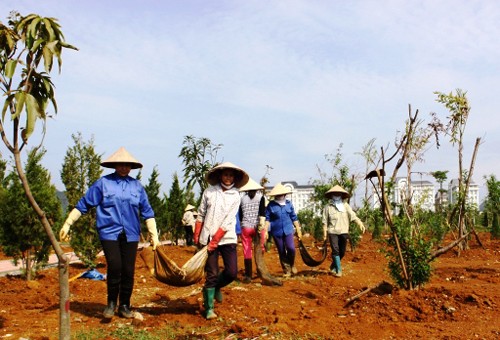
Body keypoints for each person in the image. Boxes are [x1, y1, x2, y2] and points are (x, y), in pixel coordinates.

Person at [59, 147, 160, 319]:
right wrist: (68, 223)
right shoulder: (103, 184)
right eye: (121, 164)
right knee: (115, 266)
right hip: (109, 232)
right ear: (114, 165)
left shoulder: (136, 187)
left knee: (128, 270)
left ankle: (125, 305)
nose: (124, 168)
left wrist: (154, 236)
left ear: (131, 167)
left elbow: (147, 212)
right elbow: (84, 204)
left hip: (131, 233)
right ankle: (111, 303)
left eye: (127, 165)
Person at [194, 162, 249, 320]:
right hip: (208, 237)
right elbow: (201, 213)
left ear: (234, 178)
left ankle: (217, 285)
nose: (228, 178)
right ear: (220, 176)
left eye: (231, 175)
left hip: (227, 238)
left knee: (231, 272)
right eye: (225, 175)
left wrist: (215, 240)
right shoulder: (209, 192)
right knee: (211, 273)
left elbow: (228, 221)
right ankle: (209, 308)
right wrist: (197, 233)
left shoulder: (236, 195)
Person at [322, 185, 366, 277]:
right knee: (335, 250)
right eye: (335, 194)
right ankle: (339, 270)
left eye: (339, 194)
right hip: (333, 231)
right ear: (332, 195)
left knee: (342, 251)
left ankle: (333, 266)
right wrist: (325, 234)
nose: (337, 196)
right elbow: (325, 222)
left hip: (344, 231)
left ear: (342, 195)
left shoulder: (346, 206)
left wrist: (360, 223)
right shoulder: (328, 207)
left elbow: (353, 216)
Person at [264, 182, 302, 277]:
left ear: (284, 194)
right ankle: (287, 270)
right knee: (281, 251)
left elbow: (294, 217)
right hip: (276, 232)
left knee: (291, 249)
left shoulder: (289, 204)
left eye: (281, 193)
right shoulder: (271, 205)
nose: (280, 195)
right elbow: (267, 219)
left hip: (288, 230)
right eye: (278, 194)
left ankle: (292, 264)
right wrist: (265, 231)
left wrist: (298, 229)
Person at [238, 178, 266, 283]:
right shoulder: (261, 198)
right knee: (260, 248)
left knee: (247, 250)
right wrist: (261, 224)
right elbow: (262, 213)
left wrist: (243, 224)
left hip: (246, 227)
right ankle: (259, 271)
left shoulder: (242, 199)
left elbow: (240, 215)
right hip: (257, 227)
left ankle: (248, 275)